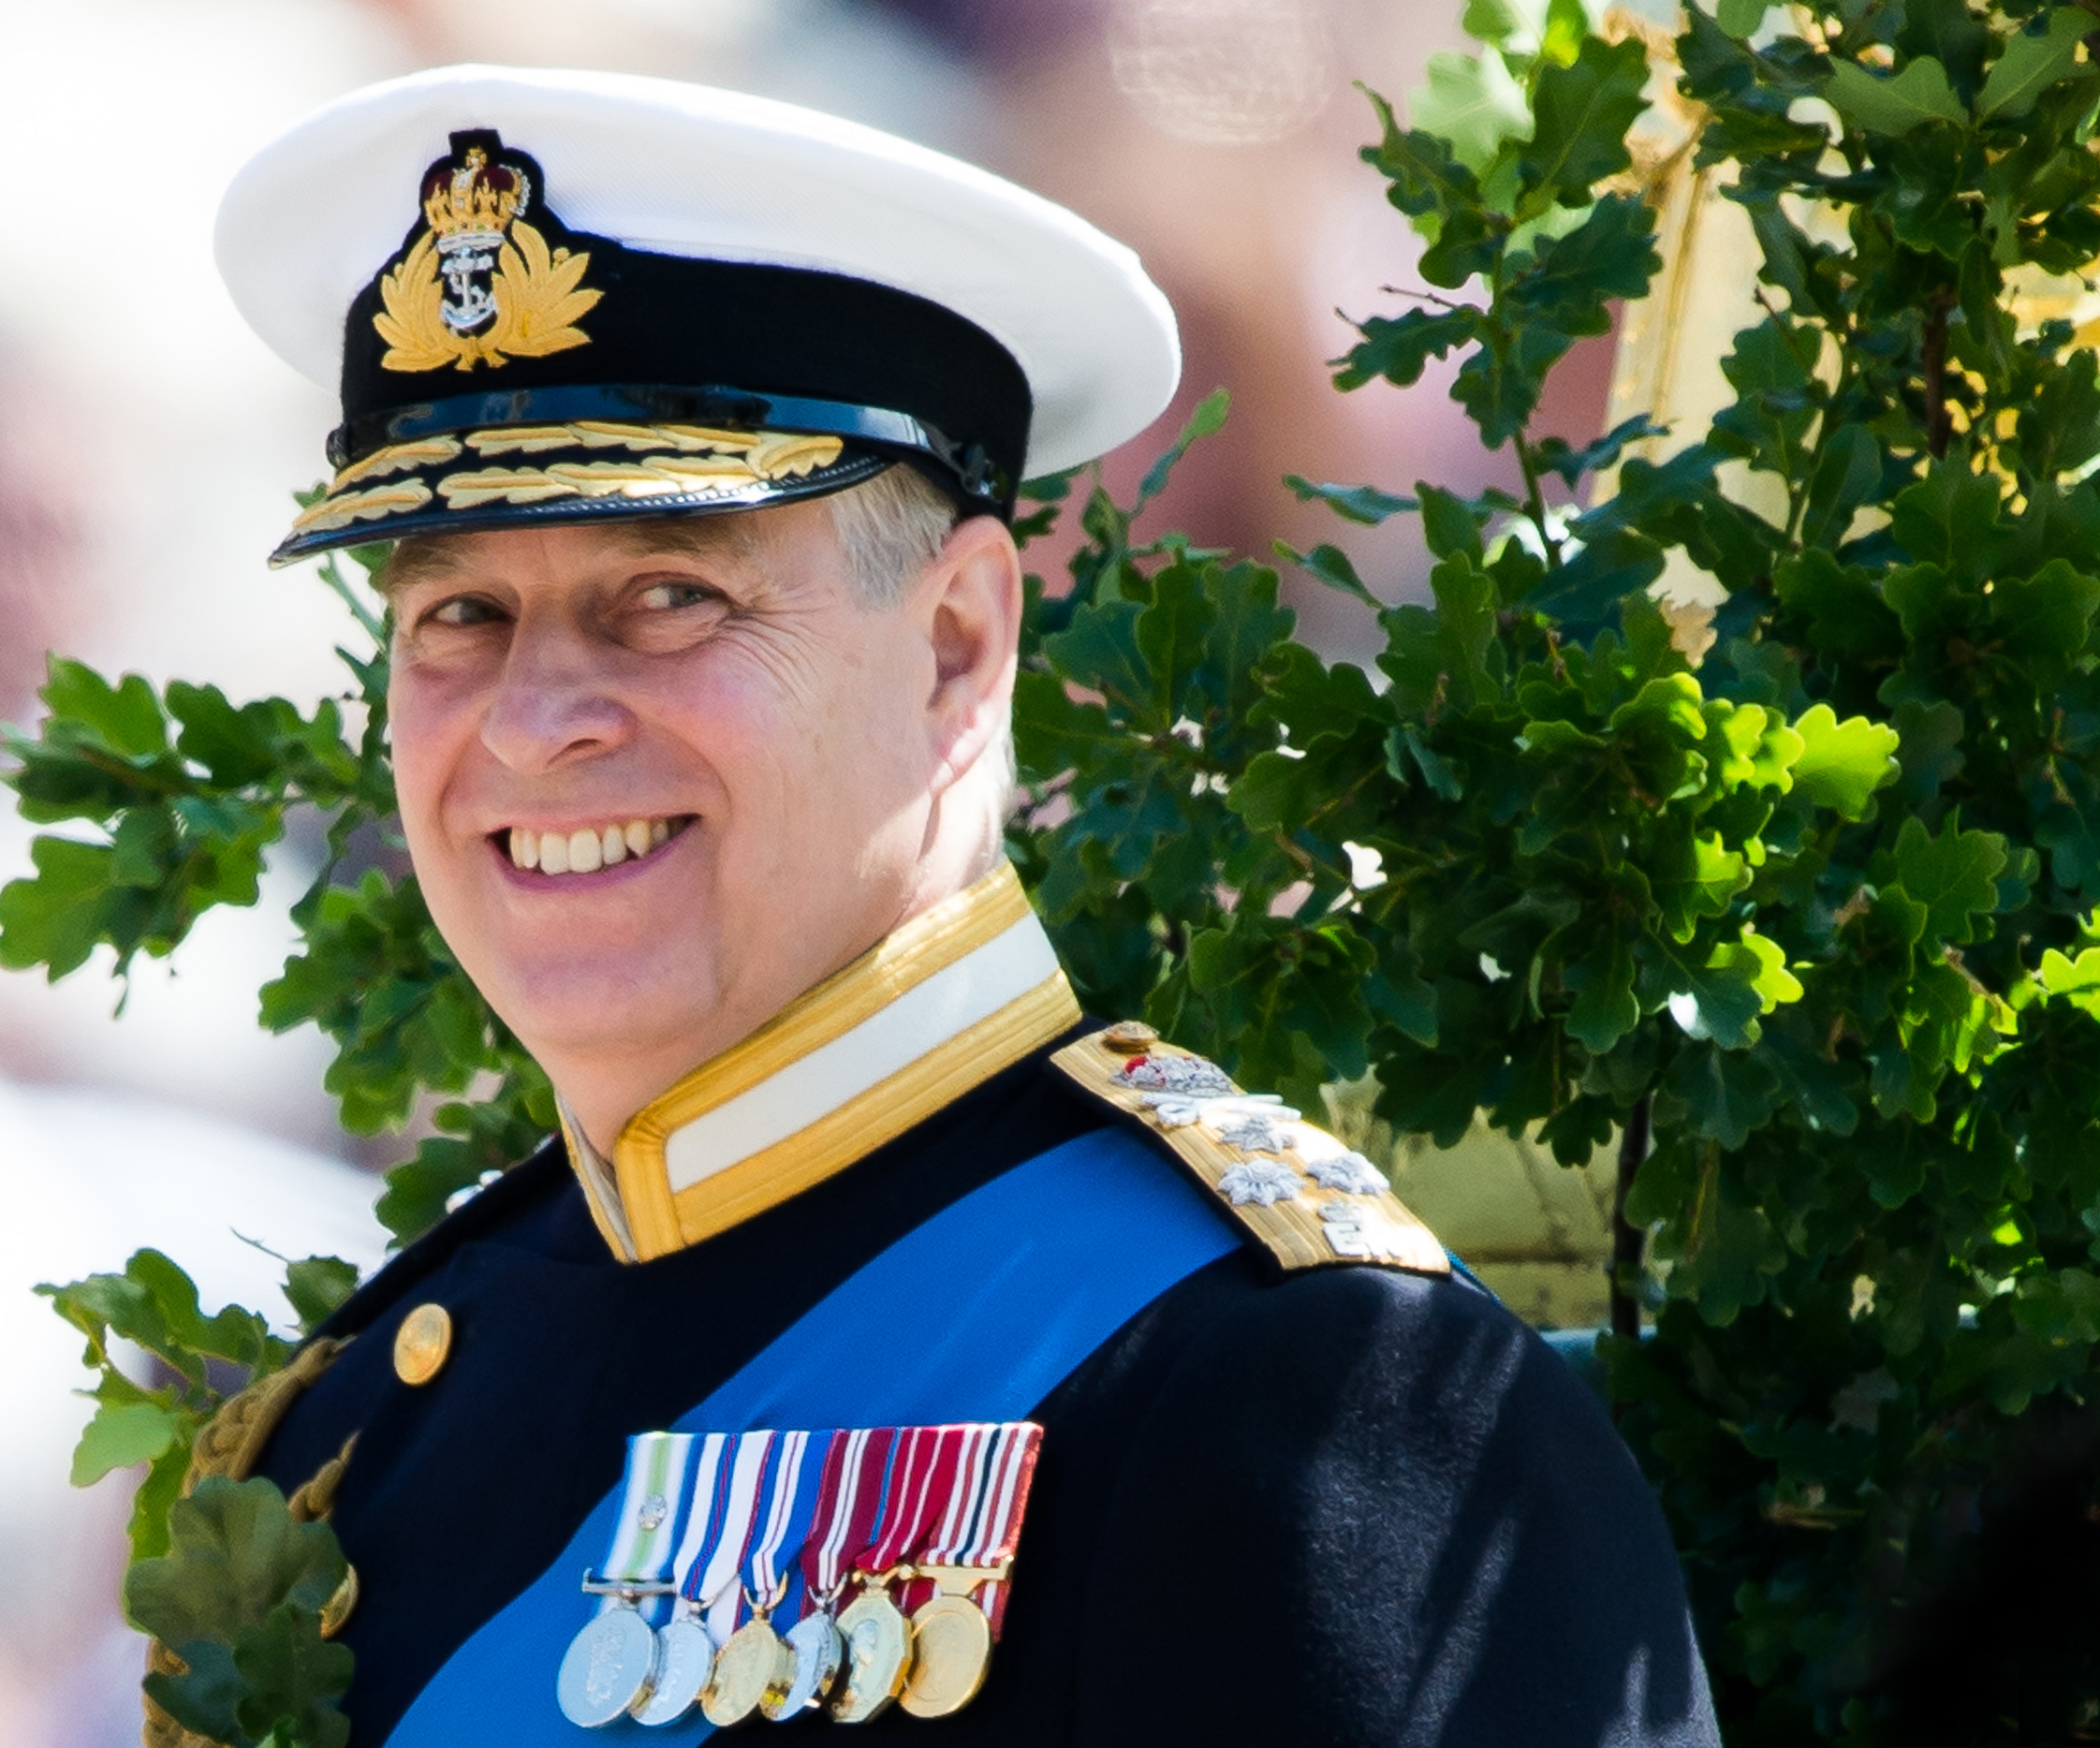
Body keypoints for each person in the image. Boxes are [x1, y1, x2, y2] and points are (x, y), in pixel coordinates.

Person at [183, 64, 1719, 1746]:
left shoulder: (1302, 1406)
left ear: (958, 647)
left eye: (670, 595)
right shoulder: (365, 1434)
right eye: (459, 614)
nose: (536, 721)